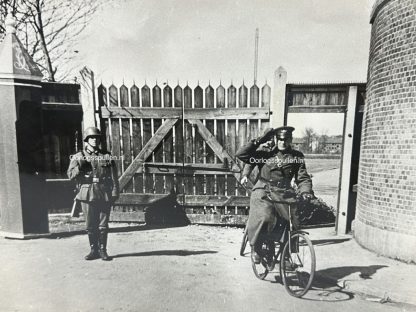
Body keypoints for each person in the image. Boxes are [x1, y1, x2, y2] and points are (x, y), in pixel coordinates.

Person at [236, 126, 313, 264]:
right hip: (263, 190)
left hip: (284, 193)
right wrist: (260, 140)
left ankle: (286, 255)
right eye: (280, 139)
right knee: (265, 216)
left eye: (286, 140)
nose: (282, 142)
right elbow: (241, 154)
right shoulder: (265, 154)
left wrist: (306, 191)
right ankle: (257, 247)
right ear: (276, 139)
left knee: (292, 222)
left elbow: (302, 178)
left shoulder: (297, 157)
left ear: (290, 140)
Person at [67, 127, 119, 261]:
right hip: (86, 193)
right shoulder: (79, 156)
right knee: (90, 225)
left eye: (97, 138)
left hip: (104, 192)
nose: (95, 140)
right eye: (91, 138)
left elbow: (114, 176)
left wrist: (115, 192)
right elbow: (70, 175)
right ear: (87, 140)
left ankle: (103, 251)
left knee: (103, 225)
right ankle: (93, 250)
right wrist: (79, 167)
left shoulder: (107, 156)